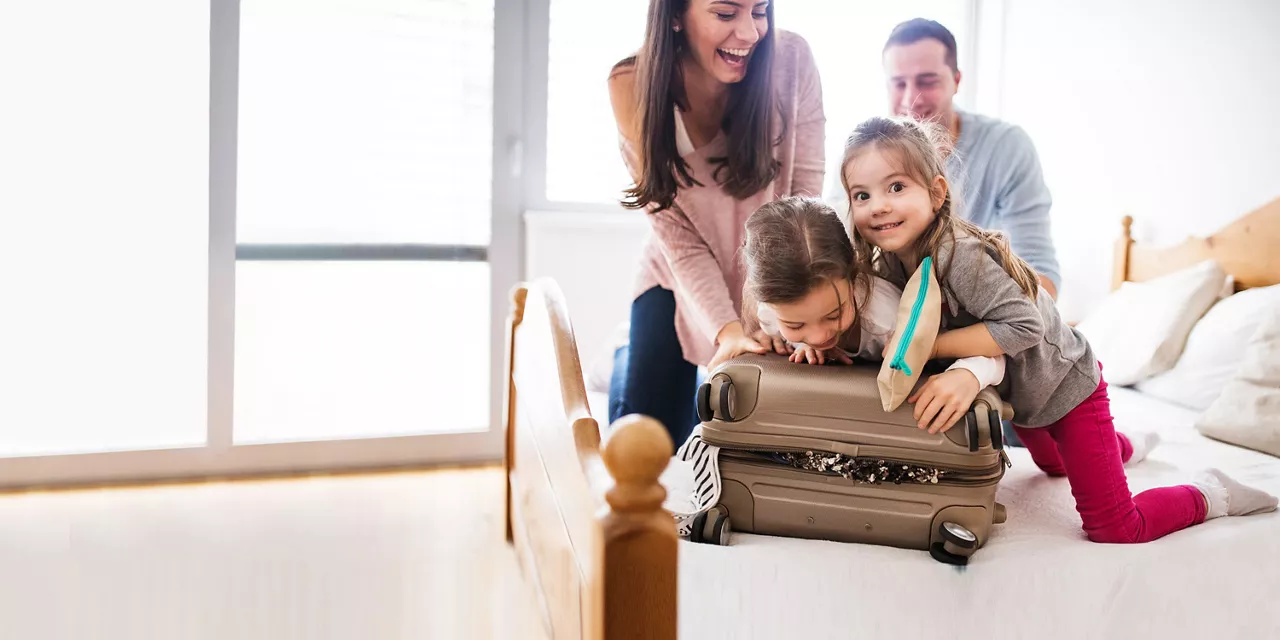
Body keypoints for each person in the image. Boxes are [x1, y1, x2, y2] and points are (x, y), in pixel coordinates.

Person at [837, 114, 1277, 543]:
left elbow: (1022, 326)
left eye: (896, 187)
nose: (878, 206)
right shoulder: (891, 263)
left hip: (1066, 387)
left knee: (1116, 528)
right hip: (1022, 397)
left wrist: (928, 348)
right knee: (1052, 466)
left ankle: (1211, 493)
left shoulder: (961, 256)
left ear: (936, 193)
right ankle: (1124, 447)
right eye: (862, 195)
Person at [606, 0, 826, 445]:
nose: (749, 33)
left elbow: (804, 196)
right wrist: (726, 330)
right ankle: (623, 352)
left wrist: (780, 306)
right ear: (674, 15)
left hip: (767, 271)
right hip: (676, 275)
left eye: (760, 11)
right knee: (647, 438)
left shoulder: (791, 61)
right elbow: (678, 241)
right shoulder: (633, 85)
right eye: (726, 14)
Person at [880, 18, 1060, 300]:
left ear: (956, 81)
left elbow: (1042, 279)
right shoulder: (865, 154)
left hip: (983, 316)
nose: (911, 98)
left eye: (927, 82)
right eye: (899, 83)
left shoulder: (1006, 148)